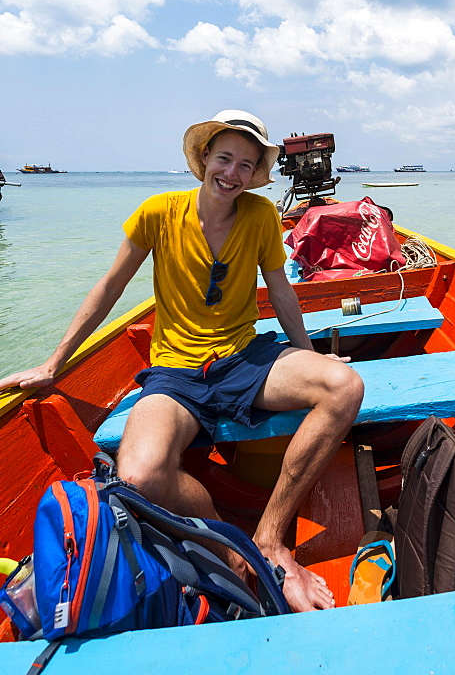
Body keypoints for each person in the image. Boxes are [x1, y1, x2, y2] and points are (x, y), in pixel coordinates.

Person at [0, 109, 364, 613]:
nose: (232, 173)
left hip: (243, 357)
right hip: (175, 373)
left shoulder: (259, 217)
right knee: (139, 478)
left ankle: (270, 538)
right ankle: (224, 543)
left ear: (256, 172)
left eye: (245, 164)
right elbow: (109, 287)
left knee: (343, 386)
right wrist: (54, 364)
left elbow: (281, 292)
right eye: (224, 159)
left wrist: (304, 355)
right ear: (204, 159)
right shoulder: (158, 213)